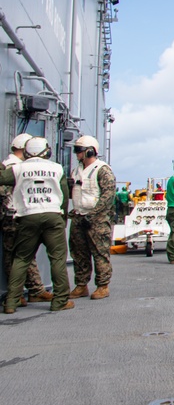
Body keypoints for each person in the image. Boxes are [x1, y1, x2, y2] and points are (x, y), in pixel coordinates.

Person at [1, 137, 74, 313]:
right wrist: (63, 220)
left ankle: (11, 302)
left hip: (27, 217)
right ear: (47, 152)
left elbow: (2, 178)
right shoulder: (56, 169)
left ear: (26, 152)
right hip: (52, 215)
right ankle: (60, 301)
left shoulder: (18, 169)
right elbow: (64, 196)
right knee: (57, 259)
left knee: (21, 259)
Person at [0, 133, 54, 306]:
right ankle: (28, 292)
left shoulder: (8, 166)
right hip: (16, 216)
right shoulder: (16, 167)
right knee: (22, 255)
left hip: (12, 216)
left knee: (18, 256)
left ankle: (24, 293)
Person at [68, 134, 116, 301]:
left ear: (89, 151)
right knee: (79, 253)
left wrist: (94, 214)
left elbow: (108, 195)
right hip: (79, 216)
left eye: (79, 150)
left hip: (96, 220)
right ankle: (81, 285)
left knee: (100, 253)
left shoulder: (102, 169)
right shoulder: (77, 170)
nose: (77, 154)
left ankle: (103, 286)